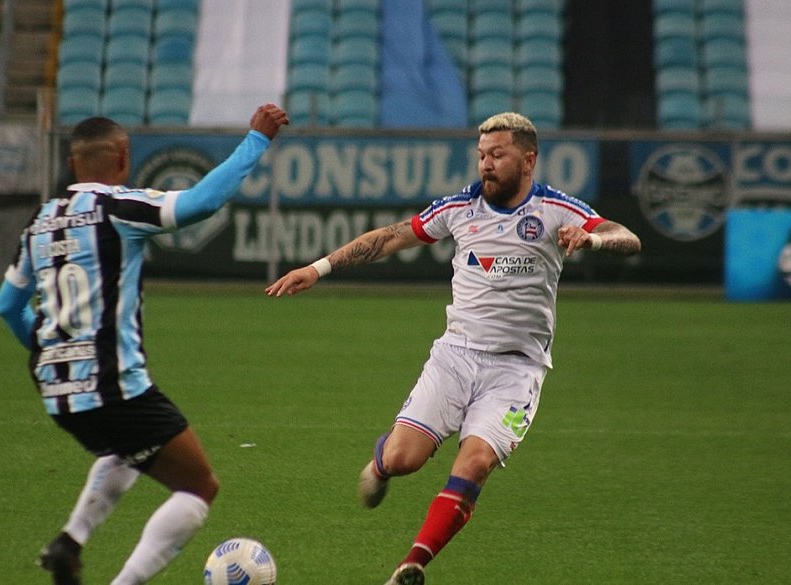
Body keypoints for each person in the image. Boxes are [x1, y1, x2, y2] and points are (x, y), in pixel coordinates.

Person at [266, 112, 641, 585]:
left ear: (528, 160)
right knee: (406, 460)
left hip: (517, 370)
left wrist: (592, 238)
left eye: (497, 155)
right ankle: (382, 461)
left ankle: (412, 564)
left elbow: (627, 237)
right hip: (456, 356)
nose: (486, 165)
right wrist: (317, 269)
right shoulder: (461, 208)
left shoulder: (557, 210)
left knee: (476, 462)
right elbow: (388, 238)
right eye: (482, 155)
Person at [0, 103, 289, 585]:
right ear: (124, 157)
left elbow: (8, 304)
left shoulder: (41, 221)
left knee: (125, 450)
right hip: (114, 385)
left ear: (72, 164)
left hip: (58, 392)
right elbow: (200, 204)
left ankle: (69, 542)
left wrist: (51, 351)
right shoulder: (119, 208)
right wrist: (255, 140)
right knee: (199, 486)